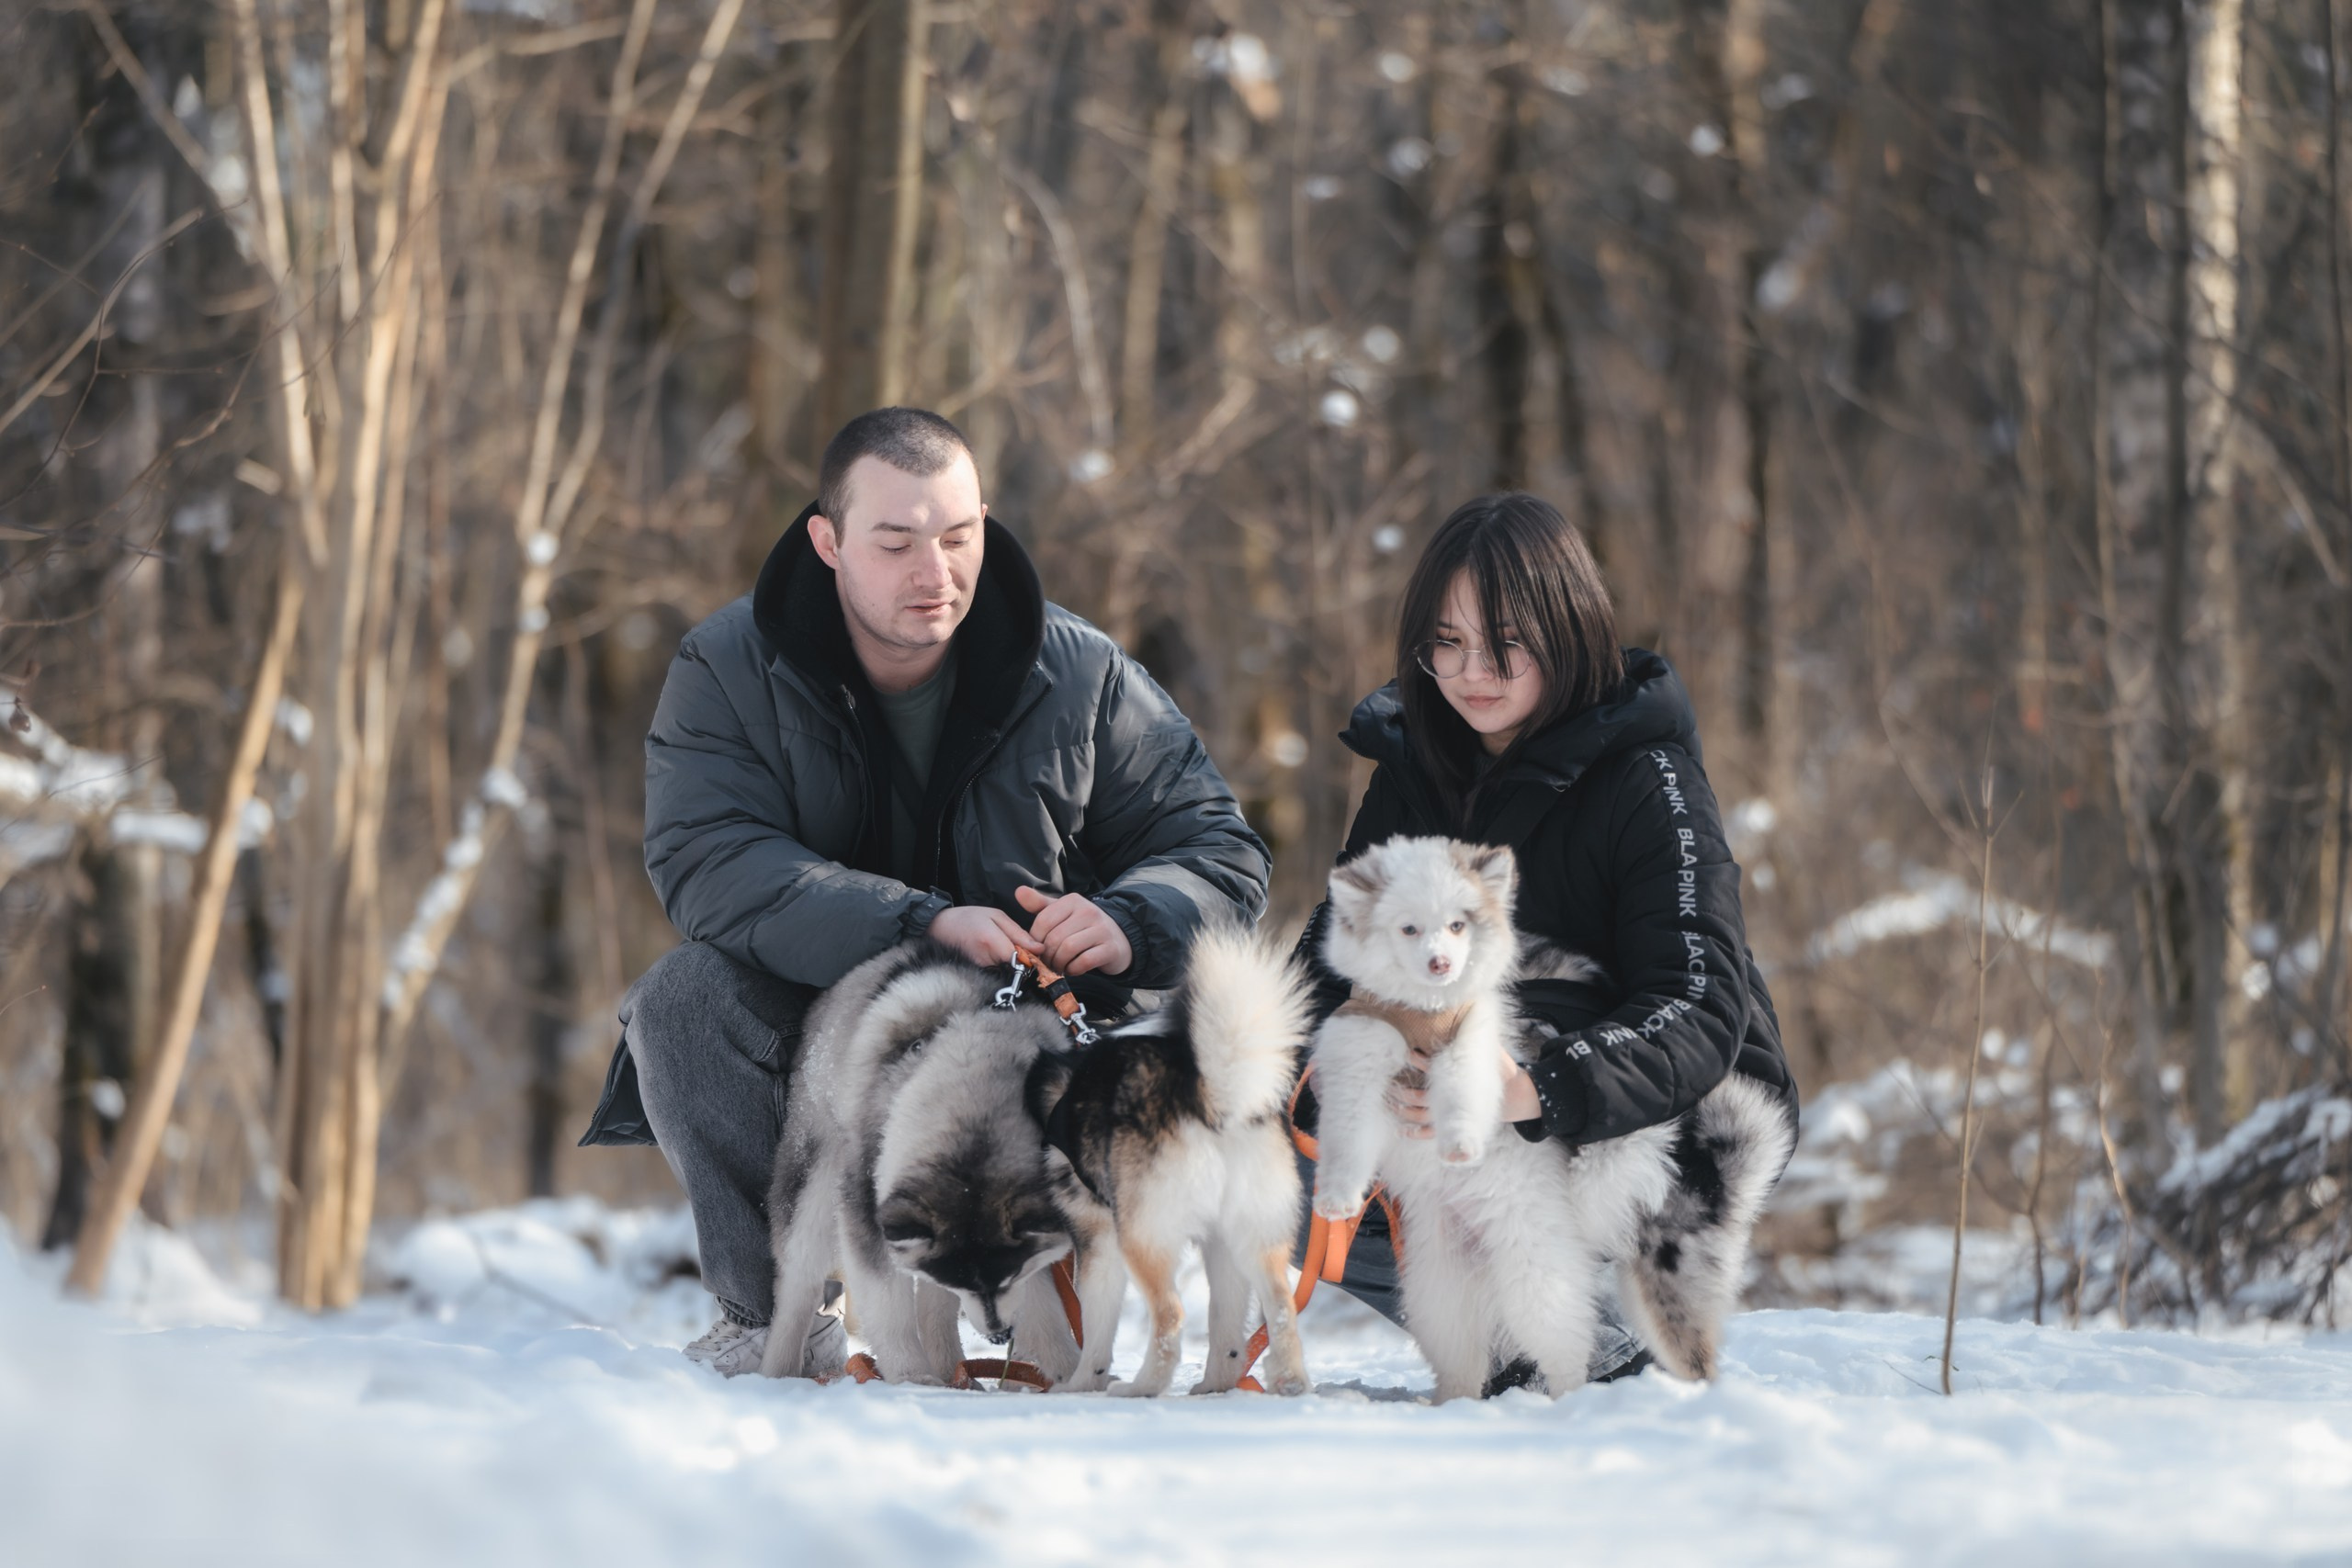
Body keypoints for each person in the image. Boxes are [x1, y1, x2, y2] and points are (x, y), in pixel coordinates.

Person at [580, 408, 1271, 1376]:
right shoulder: (728, 667)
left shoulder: (1077, 671)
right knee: (681, 1003)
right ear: (828, 541)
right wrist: (917, 920)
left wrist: (1127, 920)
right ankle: (770, 1313)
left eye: (958, 538)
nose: (934, 572)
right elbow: (706, 858)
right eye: (895, 541)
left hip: (1034, 1018)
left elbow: (1215, 849)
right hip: (823, 1013)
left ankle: (1057, 1295)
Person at [1295, 491, 1798, 1392]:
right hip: (1448, 1100)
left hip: (1635, 1106)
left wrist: (1532, 1088)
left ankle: (1601, 1330)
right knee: (1276, 1146)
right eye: (1444, 642)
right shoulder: (1413, 772)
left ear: (1568, 627)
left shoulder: (1650, 780)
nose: (1471, 671)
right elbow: (1326, 972)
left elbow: (1699, 1004)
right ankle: (1497, 1336)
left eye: (1505, 642)